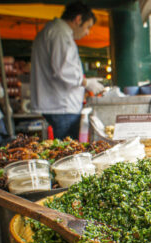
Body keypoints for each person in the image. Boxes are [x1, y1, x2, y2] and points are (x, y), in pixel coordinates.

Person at [30, 0, 103, 139]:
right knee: (67, 153)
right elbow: (63, 70)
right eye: (88, 26)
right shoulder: (59, 33)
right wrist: (86, 83)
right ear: (78, 19)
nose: (87, 32)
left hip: (59, 105)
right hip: (61, 107)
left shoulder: (54, 31)